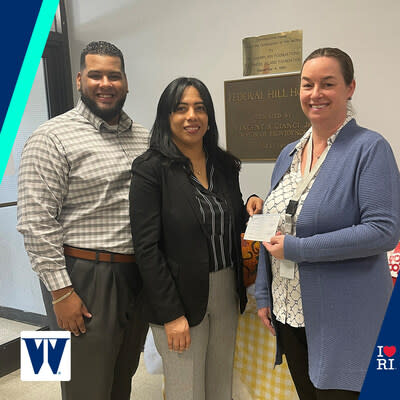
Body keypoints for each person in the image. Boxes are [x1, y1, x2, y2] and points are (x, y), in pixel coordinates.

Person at [249, 48, 400, 399]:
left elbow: (383, 231)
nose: (315, 93)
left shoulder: (370, 148)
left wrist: (298, 249)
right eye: (307, 85)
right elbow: (274, 225)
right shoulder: (288, 152)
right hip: (288, 308)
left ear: (350, 88)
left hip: (343, 314)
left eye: (327, 84)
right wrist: (262, 293)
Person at [17, 41, 149, 400]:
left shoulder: (144, 137)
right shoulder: (51, 137)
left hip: (134, 274)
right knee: (84, 385)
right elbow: (34, 221)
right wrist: (61, 293)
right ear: (79, 80)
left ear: (125, 82)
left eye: (114, 75)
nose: (105, 83)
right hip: (82, 276)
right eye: (95, 75)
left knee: (122, 376)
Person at [130, 77, 259, 400]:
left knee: (220, 387)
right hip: (179, 297)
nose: (192, 116)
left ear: (209, 116)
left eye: (200, 108)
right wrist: (172, 315)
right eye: (181, 108)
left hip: (226, 292)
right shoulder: (150, 169)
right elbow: (146, 248)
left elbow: (231, 222)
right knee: (185, 390)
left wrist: (252, 207)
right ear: (167, 117)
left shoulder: (224, 165)